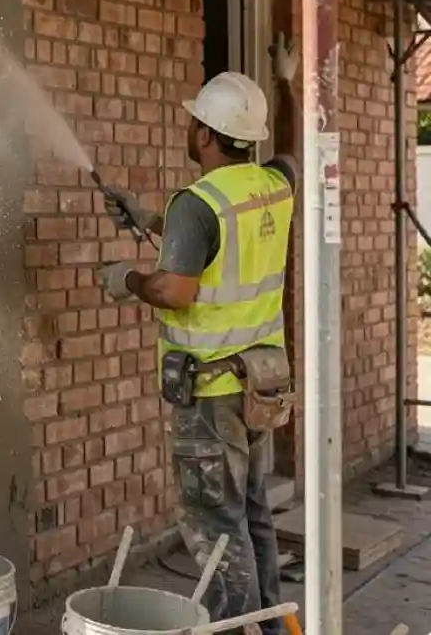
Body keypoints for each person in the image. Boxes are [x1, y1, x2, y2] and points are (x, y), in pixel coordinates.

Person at [96, 35, 301, 635]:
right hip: (261, 385)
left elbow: (175, 290)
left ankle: (234, 630)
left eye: (194, 123)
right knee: (253, 516)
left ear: (207, 135)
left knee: (216, 528)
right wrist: (286, 81)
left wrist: (127, 279)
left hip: (212, 397)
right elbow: (291, 150)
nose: (189, 129)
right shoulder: (274, 184)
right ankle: (271, 627)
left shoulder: (197, 203)